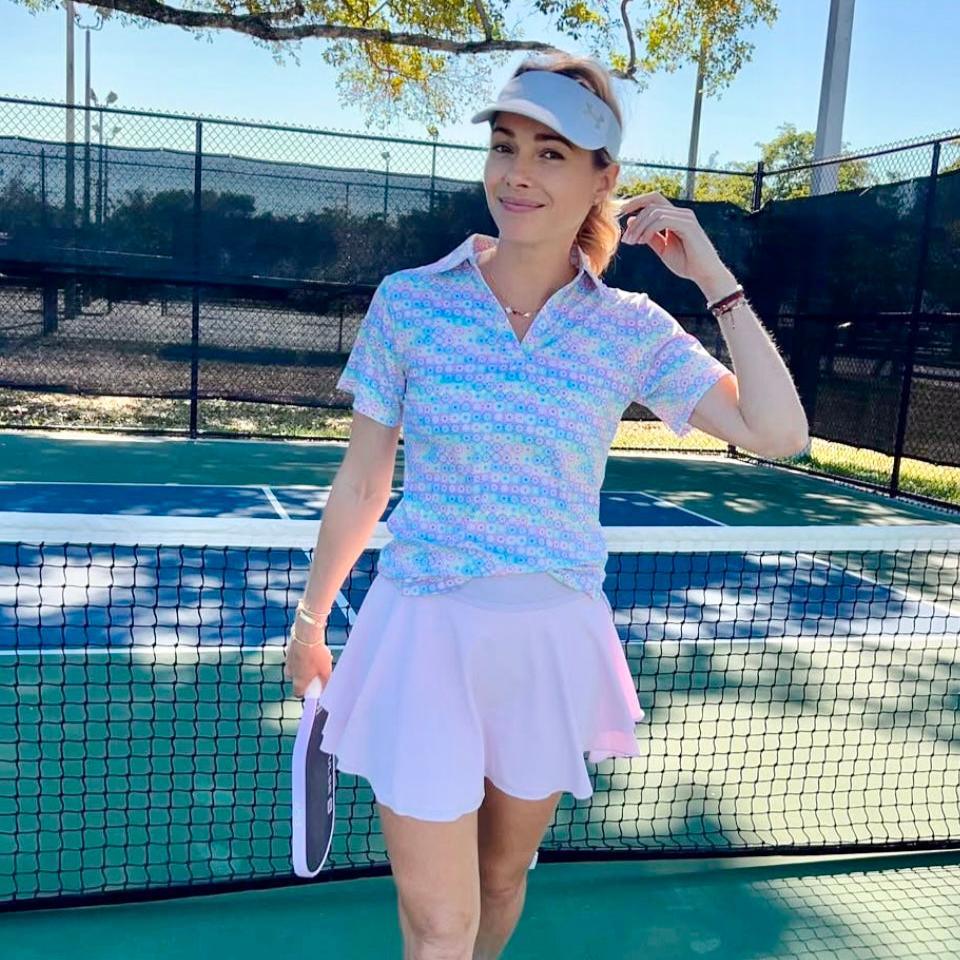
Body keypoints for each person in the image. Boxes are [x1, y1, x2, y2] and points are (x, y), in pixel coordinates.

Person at [284, 50, 808, 960]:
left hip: (552, 641)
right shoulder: (409, 304)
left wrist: (713, 275)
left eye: (552, 153)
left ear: (604, 177)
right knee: (440, 924)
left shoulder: (631, 329)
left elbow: (778, 432)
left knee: (499, 884)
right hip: (422, 632)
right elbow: (366, 480)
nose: (518, 174)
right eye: (505, 146)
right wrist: (310, 617)